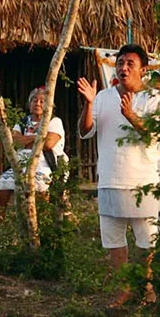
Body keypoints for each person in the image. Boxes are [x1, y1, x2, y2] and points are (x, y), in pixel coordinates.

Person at [79, 43, 160, 306]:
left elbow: (153, 134)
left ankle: (147, 286)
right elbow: (85, 130)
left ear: (143, 70)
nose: (123, 68)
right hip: (110, 178)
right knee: (113, 240)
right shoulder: (103, 96)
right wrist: (89, 104)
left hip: (143, 181)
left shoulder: (153, 99)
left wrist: (131, 115)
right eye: (120, 62)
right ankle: (124, 289)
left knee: (147, 240)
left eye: (130, 64)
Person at [0, 87, 68, 214]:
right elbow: (16, 142)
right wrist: (40, 138)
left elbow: (49, 144)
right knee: (3, 185)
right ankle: (0, 220)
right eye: (34, 100)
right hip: (21, 163)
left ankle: (41, 218)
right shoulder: (22, 122)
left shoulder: (54, 121)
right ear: (29, 104)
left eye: (42, 101)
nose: (38, 104)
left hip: (45, 163)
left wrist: (27, 139)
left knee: (39, 187)